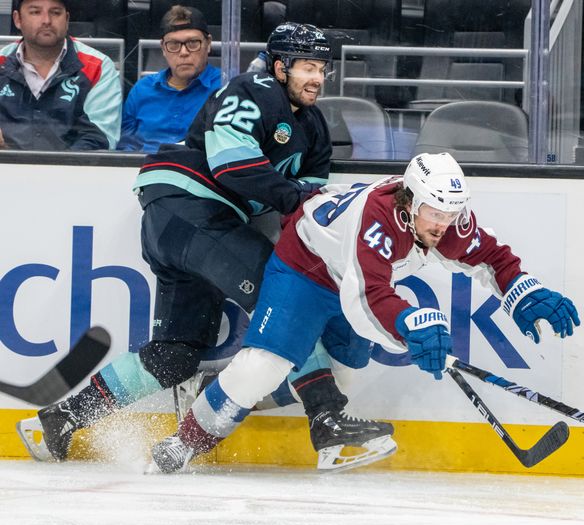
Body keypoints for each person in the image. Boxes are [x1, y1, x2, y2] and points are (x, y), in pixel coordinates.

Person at [17, 22, 395, 472]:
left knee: (175, 354)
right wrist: (299, 199)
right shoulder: (251, 89)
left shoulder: (313, 128)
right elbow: (232, 165)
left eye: (321, 69)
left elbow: (304, 214)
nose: (317, 77)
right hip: (186, 207)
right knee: (286, 296)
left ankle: (61, 419)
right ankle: (326, 416)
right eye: (307, 67)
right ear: (279, 66)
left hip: (196, 230)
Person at [149, 152, 581, 473]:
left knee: (344, 374)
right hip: (304, 267)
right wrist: (410, 325)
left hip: (349, 275)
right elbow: (368, 299)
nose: (443, 225)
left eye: (451, 213)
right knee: (263, 365)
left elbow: (491, 258)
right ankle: (183, 443)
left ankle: (231, 396)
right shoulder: (377, 220)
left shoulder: (444, 219)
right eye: (434, 212)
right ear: (410, 201)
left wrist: (524, 292)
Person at [0, 0, 121, 150]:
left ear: (67, 19)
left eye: (55, 12)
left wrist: (56, 168)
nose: (46, 21)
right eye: (35, 12)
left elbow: (99, 139)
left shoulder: (98, 66)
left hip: (75, 171)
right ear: (18, 19)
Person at [118, 6, 221, 153]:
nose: (184, 52)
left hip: (199, 171)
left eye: (192, 43)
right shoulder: (142, 90)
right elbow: (124, 147)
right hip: (144, 169)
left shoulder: (225, 87)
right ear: (163, 48)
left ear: (208, 43)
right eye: (174, 45)